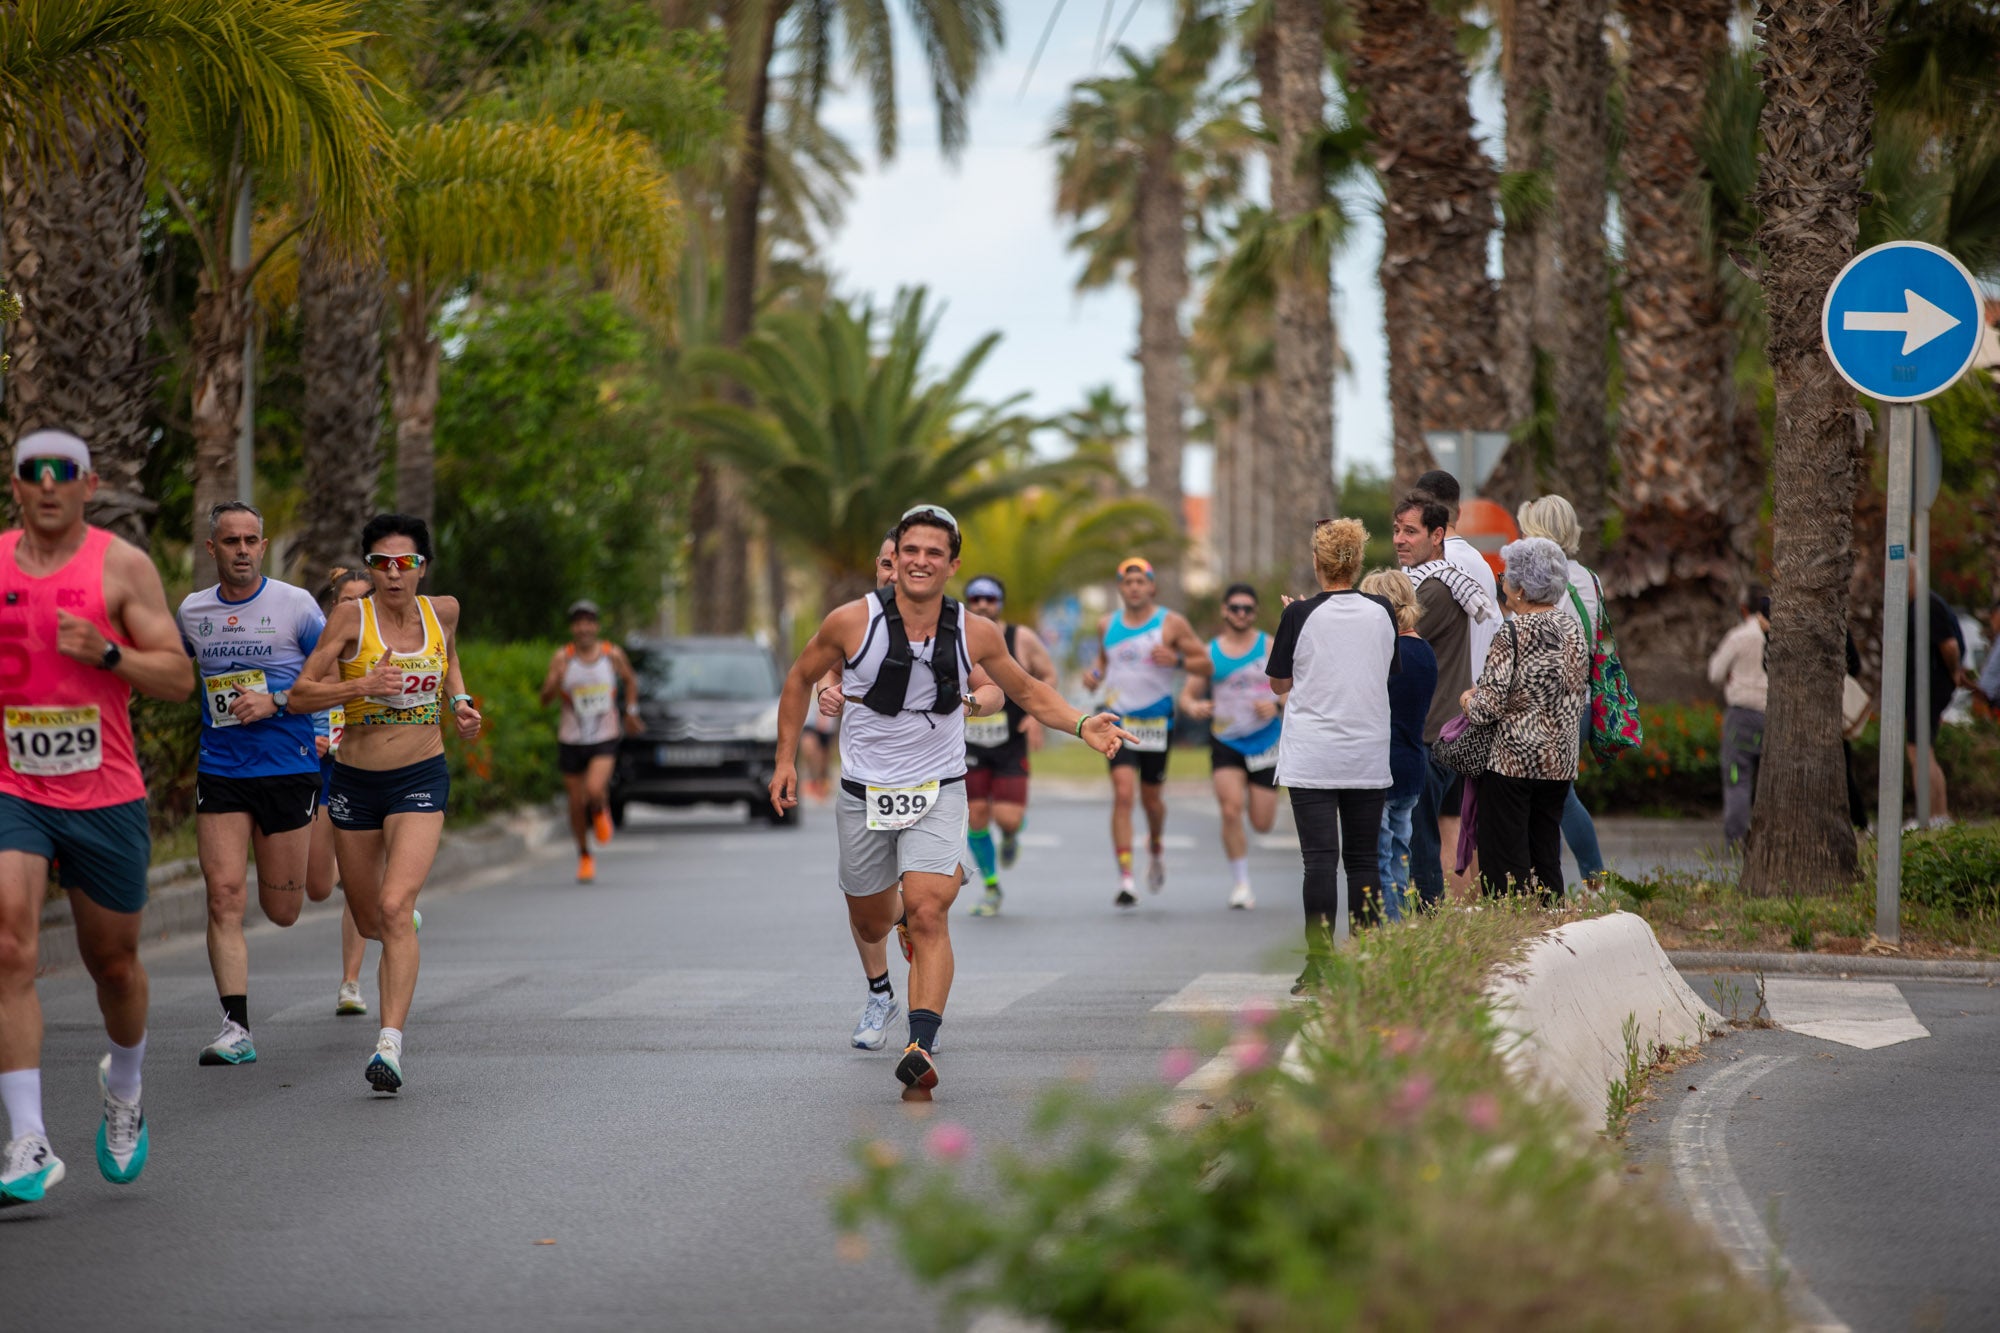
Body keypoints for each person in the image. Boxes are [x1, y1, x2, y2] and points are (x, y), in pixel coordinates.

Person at [769, 504, 1134, 1098]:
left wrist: (1083, 720)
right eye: (911, 550)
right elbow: (797, 679)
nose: (920, 561)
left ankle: (920, 1045)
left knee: (929, 910)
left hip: (939, 786)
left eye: (934, 553)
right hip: (864, 790)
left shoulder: (974, 631)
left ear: (952, 564)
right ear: (896, 557)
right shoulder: (850, 622)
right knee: (870, 919)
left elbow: (1027, 690)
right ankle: (892, 946)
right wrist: (785, 760)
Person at [0, 430, 192, 1206]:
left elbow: (178, 677)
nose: (48, 486)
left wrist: (108, 653)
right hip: (13, 783)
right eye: (31, 474)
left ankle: (126, 1081)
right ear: (15, 486)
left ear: (91, 484)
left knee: (114, 965)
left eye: (64, 474)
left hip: (104, 792)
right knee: (10, 944)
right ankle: (27, 1137)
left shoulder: (122, 566)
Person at [290, 514, 482, 1094]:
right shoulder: (352, 618)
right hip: (354, 784)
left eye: (405, 563)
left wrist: (462, 703)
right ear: (368, 566)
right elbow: (300, 694)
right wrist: (358, 688)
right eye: (381, 563)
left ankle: (389, 1045)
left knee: (395, 908)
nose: (394, 575)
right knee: (371, 917)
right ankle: (397, 924)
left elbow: (447, 658)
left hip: (421, 774)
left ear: (423, 566)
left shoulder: (440, 610)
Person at [178, 501, 328, 1066]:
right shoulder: (192, 611)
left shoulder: (295, 606)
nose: (241, 550)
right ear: (211, 549)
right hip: (221, 768)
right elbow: (177, 668)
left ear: (263, 547)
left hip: (288, 766)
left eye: (250, 541)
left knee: (284, 910)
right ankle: (235, 1026)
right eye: (230, 541)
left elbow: (333, 677)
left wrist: (283, 706)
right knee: (223, 896)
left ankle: (349, 878)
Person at [1267, 519, 1399, 993]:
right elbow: (1385, 669)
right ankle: (1363, 962)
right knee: (1363, 862)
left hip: (1313, 756)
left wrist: (1295, 620)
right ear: (1357, 562)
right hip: (1366, 753)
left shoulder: (1299, 616)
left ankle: (1320, 964)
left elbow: (1280, 683)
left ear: (1318, 563)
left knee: (1319, 862)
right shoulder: (1383, 610)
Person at [1461, 537, 1589, 901]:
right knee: (1546, 853)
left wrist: (1467, 698)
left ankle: (1514, 933)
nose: (1502, 584)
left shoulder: (1512, 633)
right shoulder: (1573, 629)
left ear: (1519, 589)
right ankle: (1550, 927)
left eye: (1505, 577)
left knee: (1506, 859)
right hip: (1560, 762)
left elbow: (1488, 707)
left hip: (1513, 763)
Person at [1082, 557, 1209, 907]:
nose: (1134, 587)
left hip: (1156, 724)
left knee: (1151, 799)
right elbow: (1104, 665)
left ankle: (1155, 844)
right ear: (1120, 588)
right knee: (1123, 794)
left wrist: (1177, 660)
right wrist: (1092, 676)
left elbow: (1206, 663)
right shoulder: (1106, 623)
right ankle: (1126, 878)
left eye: (1141, 581)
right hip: (1118, 720)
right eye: (1128, 582)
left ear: (1152, 586)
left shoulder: (1171, 623)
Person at [1393, 492, 1489, 906]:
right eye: (1396, 530)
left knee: (1421, 834)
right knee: (1440, 829)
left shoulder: (1432, 589)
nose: (1400, 539)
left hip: (1434, 732)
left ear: (1437, 536)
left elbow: (1385, 638)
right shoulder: (1430, 581)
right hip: (1437, 728)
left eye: (1410, 531)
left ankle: (1429, 916)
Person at [1516, 495, 1608, 885]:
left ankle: (1594, 881)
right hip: (1583, 702)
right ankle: (1558, 881)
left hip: (1555, 707)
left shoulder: (1547, 581)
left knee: (1558, 799)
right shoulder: (1590, 578)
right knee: (1555, 797)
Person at [1178, 583, 1284, 910]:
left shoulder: (1268, 646)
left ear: (1254, 612)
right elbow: (1186, 695)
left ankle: (1258, 810)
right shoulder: (1210, 653)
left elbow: (1295, 688)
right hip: (1226, 742)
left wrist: (1277, 704)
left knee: (1262, 823)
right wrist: (1194, 707)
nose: (1241, 614)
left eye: (1247, 609)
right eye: (1235, 608)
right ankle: (1241, 884)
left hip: (1265, 742)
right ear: (1224, 610)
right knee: (1229, 808)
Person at [959, 575, 1057, 918]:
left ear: (1000, 601)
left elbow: (1047, 674)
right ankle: (991, 885)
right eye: (975, 598)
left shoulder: (1021, 637)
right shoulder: (958, 637)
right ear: (968, 602)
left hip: (1010, 742)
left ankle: (1012, 834)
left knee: (1008, 818)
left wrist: (1034, 715)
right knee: (976, 816)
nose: (983, 604)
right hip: (969, 745)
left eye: (990, 598)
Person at [306, 566, 375, 1016]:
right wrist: (307, 738)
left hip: (368, 770)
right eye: (347, 602)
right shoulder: (314, 648)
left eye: (363, 602)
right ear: (335, 608)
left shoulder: (385, 650)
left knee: (356, 882)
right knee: (317, 886)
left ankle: (350, 983)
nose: (355, 610)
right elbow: (288, 698)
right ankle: (386, 905)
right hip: (322, 773)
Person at [539, 599, 642, 883]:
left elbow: (631, 681)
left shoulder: (612, 655)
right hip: (571, 738)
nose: (584, 628)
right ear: (573, 628)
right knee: (575, 802)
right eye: (578, 623)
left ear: (596, 626)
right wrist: (554, 683)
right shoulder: (563, 658)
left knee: (594, 789)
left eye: (588, 622)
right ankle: (584, 855)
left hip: (605, 736)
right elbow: (545, 700)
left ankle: (599, 808)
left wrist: (631, 712)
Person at [1359, 568, 1435, 921]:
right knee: (1401, 857)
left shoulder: (1389, 654)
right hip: (1412, 762)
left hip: (1382, 765)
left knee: (1380, 860)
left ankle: (1390, 930)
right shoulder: (1424, 651)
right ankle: (1404, 926)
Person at [1415, 470, 1503, 671]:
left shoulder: (1422, 562)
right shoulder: (1482, 565)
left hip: (1441, 695)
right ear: (1459, 513)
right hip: (1477, 694)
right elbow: (1496, 627)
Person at [1707, 586, 1769, 847]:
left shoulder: (1740, 637)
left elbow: (1715, 672)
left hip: (1742, 716)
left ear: (1744, 608)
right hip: (1773, 717)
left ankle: (1736, 842)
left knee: (1737, 778)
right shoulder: (1781, 635)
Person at [1905, 585, 1963, 827]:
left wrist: (1954, 671)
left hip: (1927, 687)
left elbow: (1949, 646)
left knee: (1918, 750)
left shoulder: (1926, 604)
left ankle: (1932, 816)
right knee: (1922, 749)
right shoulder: (1923, 603)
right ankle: (1938, 815)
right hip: (1925, 687)